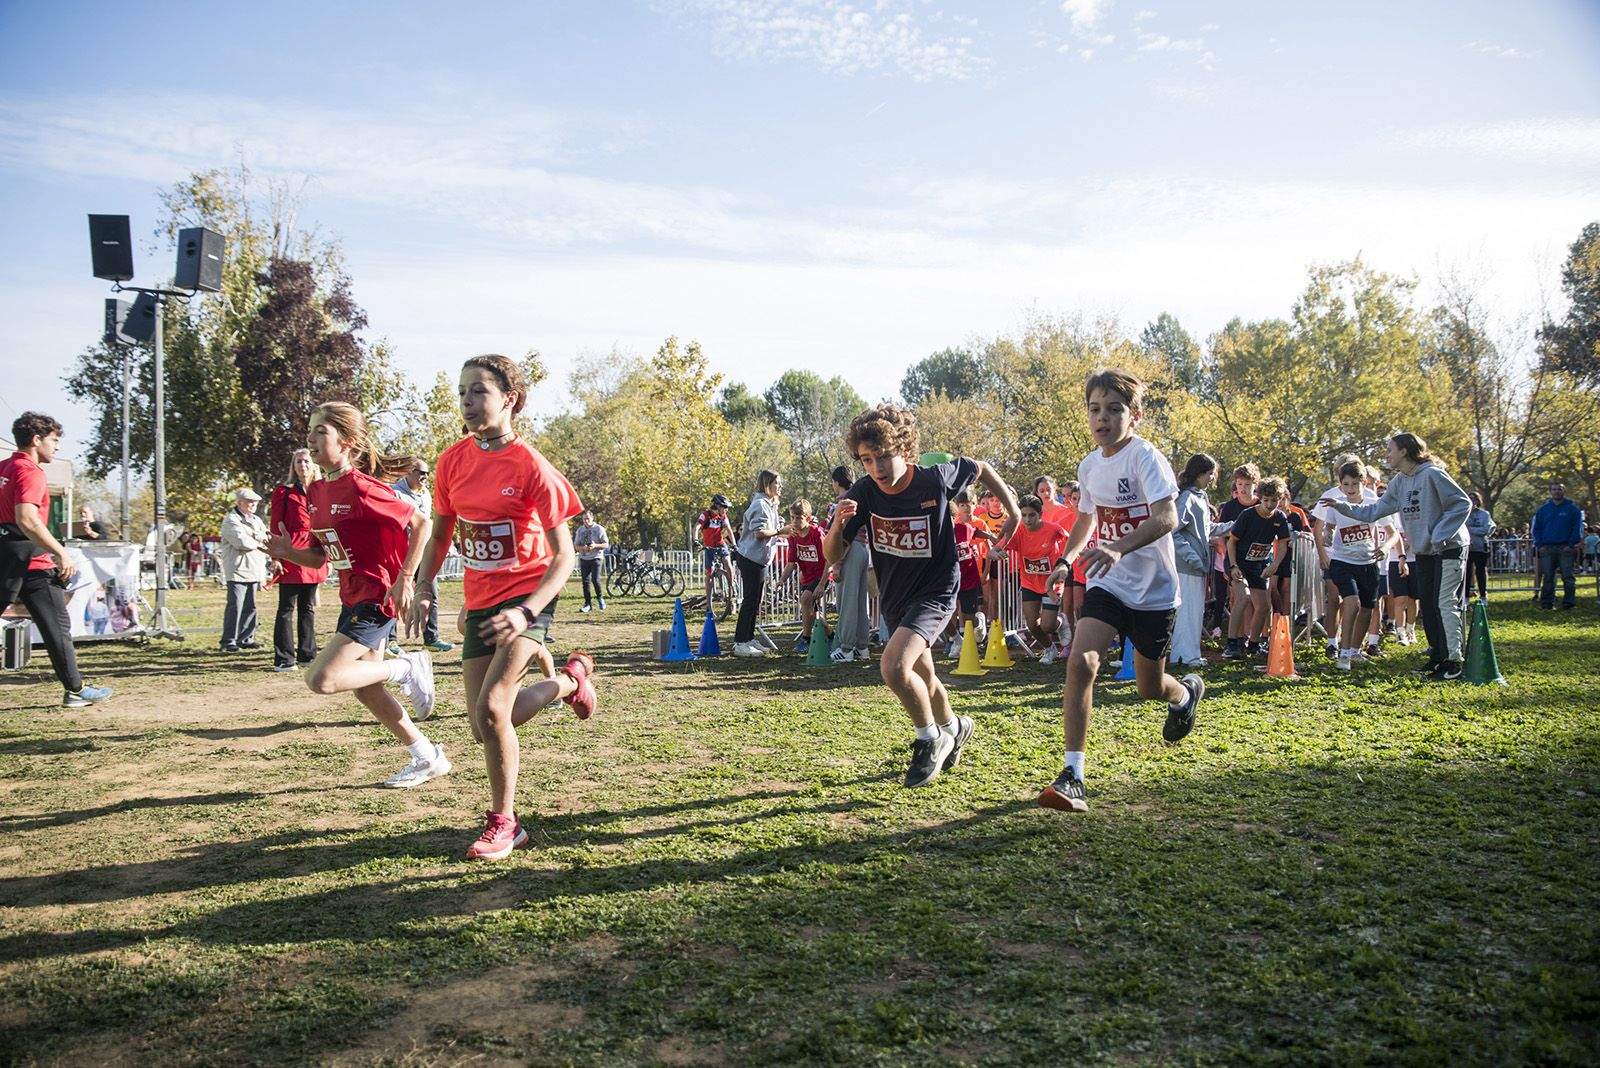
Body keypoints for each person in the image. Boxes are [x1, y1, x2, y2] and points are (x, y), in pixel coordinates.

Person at [413, 353, 594, 860]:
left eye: (479, 391)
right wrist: (423, 586)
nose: (468, 402)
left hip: (530, 595)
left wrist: (527, 612)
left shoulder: (533, 466)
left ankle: (505, 822)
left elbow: (565, 558)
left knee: (493, 709)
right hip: (481, 602)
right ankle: (568, 682)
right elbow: (443, 534)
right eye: (463, 392)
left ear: (509, 399)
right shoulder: (451, 462)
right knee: (482, 723)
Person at [823, 403, 1019, 788]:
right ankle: (955, 726)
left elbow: (982, 468)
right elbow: (835, 555)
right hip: (896, 597)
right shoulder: (863, 494)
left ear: (904, 448)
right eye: (866, 460)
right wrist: (836, 525)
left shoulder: (934, 479)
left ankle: (929, 739)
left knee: (894, 667)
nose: (877, 467)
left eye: (884, 456)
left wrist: (1011, 511)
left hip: (936, 592)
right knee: (923, 676)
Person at [1038, 370, 1203, 813]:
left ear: (1136, 415)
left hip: (1154, 592)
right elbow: (1086, 520)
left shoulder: (1146, 459)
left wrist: (1118, 546)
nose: (1102, 418)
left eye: (1114, 409)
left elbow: (1167, 518)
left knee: (1149, 688)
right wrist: (1067, 560)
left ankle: (1185, 694)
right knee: (1082, 661)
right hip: (1107, 584)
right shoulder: (1089, 467)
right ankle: (1073, 773)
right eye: (1095, 409)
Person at [264, 402, 445, 787]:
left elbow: (422, 522)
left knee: (323, 679)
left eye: (320, 432)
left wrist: (406, 578)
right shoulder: (316, 491)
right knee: (365, 688)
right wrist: (287, 552)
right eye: (309, 430)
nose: (310, 439)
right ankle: (427, 757)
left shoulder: (364, 489)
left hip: (376, 596)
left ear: (346, 442)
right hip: (351, 596)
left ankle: (406, 668)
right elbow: (319, 553)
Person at [1328, 432, 1471, 680]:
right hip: (1425, 550)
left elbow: (1462, 503)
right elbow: (1374, 511)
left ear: (1404, 451)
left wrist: (1439, 534)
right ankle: (1438, 656)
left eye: (1390, 450)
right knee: (1428, 603)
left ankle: (1454, 660)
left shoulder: (1432, 473)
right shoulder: (1399, 481)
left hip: (1448, 547)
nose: (1387, 455)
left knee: (1444, 603)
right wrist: (1342, 506)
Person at [0, 412, 111, 708]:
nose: (58, 447)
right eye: (54, 440)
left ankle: (75, 688)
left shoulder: (4, 467)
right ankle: (75, 691)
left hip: (5, 555)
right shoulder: (31, 471)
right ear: (37, 440)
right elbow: (27, 519)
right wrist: (61, 553)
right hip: (30, 559)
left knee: (54, 624)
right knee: (56, 626)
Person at [1314, 461, 1384, 671]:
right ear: (1340, 485)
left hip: (1368, 562)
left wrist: (1386, 548)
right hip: (1342, 562)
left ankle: (1355, 650)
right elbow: (1329, 527)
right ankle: (1343, 655)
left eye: (1355, 484)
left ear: (1364, 482)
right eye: (1346, 484)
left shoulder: (1374, 503)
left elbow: (1390, 533)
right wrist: (1327, 536)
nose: (1351, 489)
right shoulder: (1336, 504)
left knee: (1367, 609)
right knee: (1351, 603)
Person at [269, 449, 328, 671]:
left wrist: (329, 558)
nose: (302, 465)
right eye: (298, 461)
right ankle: (284, 658)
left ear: (313, 464)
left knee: (308, 607)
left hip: (314, 549)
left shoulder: (321, 490)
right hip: (290, 550)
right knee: (286, 606)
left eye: (306, 461)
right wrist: (276, 556)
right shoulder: (284, 492)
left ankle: (308, 655)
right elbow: (275, 524)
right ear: (293, 466)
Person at [1225, 478, 1292, 659]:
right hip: (1237, 562)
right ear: (1260, 498)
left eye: (1274, 501)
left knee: (1263, 606)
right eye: (1266, 500)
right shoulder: (1247, 515)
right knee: (1243, 597)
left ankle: (1253, 645)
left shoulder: (1280, 517)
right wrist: (1233, 566)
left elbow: (1284, 544)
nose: (1270, 505)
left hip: (1259, 564)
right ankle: (1232, 644)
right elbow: (1231, 543)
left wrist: (1275, 565)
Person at [392, 459, 454, 653]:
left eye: (427, 473)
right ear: (409, 472)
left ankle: (431, 637)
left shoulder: (426, 494)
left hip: (423, 552)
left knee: (430, 592)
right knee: (397, 594)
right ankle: (390, 640)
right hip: (402, 553)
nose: (425, 477)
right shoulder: (395, 493)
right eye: (421, 473)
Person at [1004, 494, 1069, 662]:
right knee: (1032, 624)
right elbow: (1000, 545)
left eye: (1031, 515)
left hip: (1052, 584)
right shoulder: (1018, 531)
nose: (1027, 519)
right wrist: (996, 552)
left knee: (1047, 626)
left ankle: (1059, 621)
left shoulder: (1053, 528)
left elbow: (1071, 542)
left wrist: (1065, 562)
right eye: (1023, 515)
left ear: (1040, 514)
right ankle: (1050, 649)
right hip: (1029, 583)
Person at [1171, 453, 1220, 669]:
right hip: (1187, 567)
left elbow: (1206, 530)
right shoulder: (1187, 498)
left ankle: (1190, 653)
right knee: (1187, 611)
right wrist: (1192, 557)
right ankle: (1183, 656)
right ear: (1199, 473)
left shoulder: (1201, 496)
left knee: (1195, 611)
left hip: (1198, 567)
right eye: (1210, 474)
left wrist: (1237, 525)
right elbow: (1174, 532)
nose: (1212, 478)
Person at [732, 470, 783, 658]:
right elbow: (759, 532)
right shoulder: (760, 504)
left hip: (759, 560)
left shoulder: (771, 504)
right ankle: (740, 642)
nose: (780, 486)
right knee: (749, 601)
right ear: (767, 484)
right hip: (750, 558)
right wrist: (779, 531)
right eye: (777, 483)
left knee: (755, 601)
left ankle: (749, 638)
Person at [827, 466, 874, 662]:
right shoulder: (860, 498)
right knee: (860, 601)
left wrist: (836, 563)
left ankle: (845, 648)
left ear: (837, 482)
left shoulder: (841, 503)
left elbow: (841, 535)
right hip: (863, 550)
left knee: (846, 601)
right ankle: (862, 647)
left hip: (849, 551)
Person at [219, 487, 271, 652]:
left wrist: (256, 538)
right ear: (239, 502)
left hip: (254, 569)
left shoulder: (256, 520)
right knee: (235, 606)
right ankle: (229, 641)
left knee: (251, 606)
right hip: (237, 570)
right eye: (249, 501)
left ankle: (247, 638)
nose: (253, 504)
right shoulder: (231, 520)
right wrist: (258, 539)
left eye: (255, 501)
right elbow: (242, 543)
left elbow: (267, 539)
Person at [1218, 464, 1260, 655]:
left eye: (1247, 484)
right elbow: (1222, 535)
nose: (1243, 488)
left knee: (1260, 603)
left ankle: (1254, 639)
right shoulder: (1229, 507)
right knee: (1242, 597)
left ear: (1255, 484)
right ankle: (1232, 642)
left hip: (1258, 560)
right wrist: (1225, 562)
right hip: (1235, 558)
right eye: (1239, 483)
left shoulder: (1262, 504)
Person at [782, 499, 828, 652]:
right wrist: (782, 580)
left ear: (808, 518)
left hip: (821, 575)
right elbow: (791, 563)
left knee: (805, 599)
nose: (794, 521)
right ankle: (831, 635)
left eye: (798, 517)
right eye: (792, 517)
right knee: (813, 613)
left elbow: (829, 558)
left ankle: (806, 639)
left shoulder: (816, 533)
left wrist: (822, 584)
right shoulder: (793, 537)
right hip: (806, 577)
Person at [1531, 482, 1584, 610]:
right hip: (1547, 548)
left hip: (1565, 547)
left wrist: (1571, 544)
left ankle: (1569, 604)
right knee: (1548, 577)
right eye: (1554, 489)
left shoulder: (1572, 509)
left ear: (1564, 491)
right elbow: (1536, 529)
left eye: (1559, 489)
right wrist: (1540, 544)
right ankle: (1547, 604)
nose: (1556, 491)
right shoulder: (1543, 509)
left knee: (1568, 577)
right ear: (1550, 491)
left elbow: (1577, 528)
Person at [695, 494, 736, 596]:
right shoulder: (705, 515)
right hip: (709, 546)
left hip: (720, 543)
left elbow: (729, 530)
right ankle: (709, 600)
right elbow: (696, 527)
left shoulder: (723, 516)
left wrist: (734, 544)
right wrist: (695, 540)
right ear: (718, 506)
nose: (726, 510)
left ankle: (732, 586)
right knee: (709, 573)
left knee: (727, 561)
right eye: (725, 507)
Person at [573, 510, 609, 613]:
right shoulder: (580, 530)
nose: (586, 521)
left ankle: (600, 598)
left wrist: (595, 546)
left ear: (592, 518)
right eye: (584, 519)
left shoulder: (599, 529)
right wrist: (582, 548)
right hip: (584, 558)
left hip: (596, 557)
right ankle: (588, 604)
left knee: (595, 579)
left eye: (588, 518)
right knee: (585, 582)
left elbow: (606, 544)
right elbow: (575, 546)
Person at [1465, 492, 1495, 602]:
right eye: (1470, 499)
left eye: (1474, 499)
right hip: (1467, 548)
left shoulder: (1484, 514)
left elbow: (1486, 530)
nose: (1472, 501)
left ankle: (1483, 596)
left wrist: (1469, 530)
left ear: (1478, 501)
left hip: (1481, 547)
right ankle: (1465, 598)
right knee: (1467, 573)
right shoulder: (1463, 514)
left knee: (1480, 572)